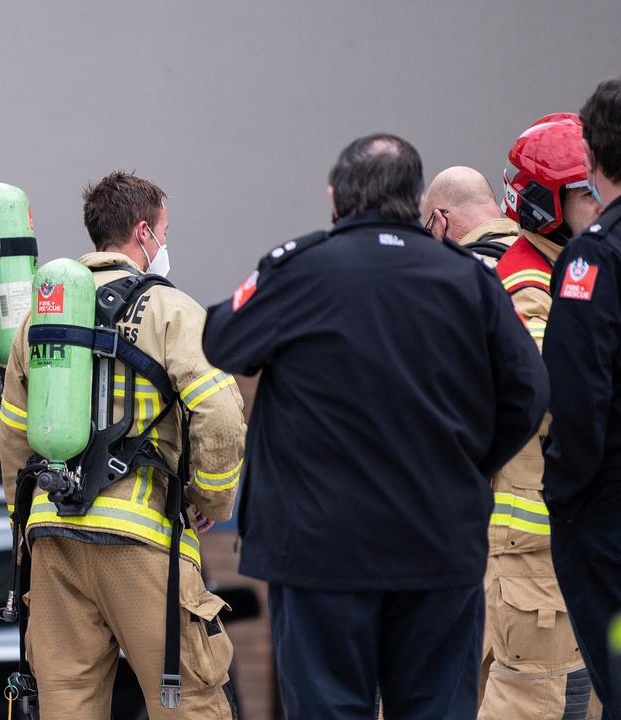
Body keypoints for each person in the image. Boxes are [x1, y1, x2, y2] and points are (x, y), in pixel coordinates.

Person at [202, 134, 549, 719]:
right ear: (415, 201)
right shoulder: (469, 280)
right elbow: (530, 390)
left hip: (320, 552)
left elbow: (222, 339)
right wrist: (472, 464)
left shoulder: (299, 269)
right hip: (439, 545)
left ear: (336, 199)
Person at [0, 171, 246, 719]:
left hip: (54, 538)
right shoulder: (171, 311)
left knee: (67, 704)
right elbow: (222, 415)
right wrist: (210, 500)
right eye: (163, 231)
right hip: (140, 540)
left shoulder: (44, 313)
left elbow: (13, 434)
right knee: (189, 702)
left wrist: (26, 531)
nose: (165, 244)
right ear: (143, 232)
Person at [480, 112, 603, 720]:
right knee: (542, 699)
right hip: (535, 541)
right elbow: (556, 401)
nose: (603, 200)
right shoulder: (533, 287)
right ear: (545, 203)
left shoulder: (564, 266)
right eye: (588, 191)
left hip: (552, 535)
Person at [542, 76, 621, 718]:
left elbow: (578, 396)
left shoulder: (592, 260)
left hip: (607, 520)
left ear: (592, 160)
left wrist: (564, 496)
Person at [422, 165, 521, 264]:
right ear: (496, 209)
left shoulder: (460, 274)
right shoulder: (533, 254)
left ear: (440, 223)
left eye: (430, 231)